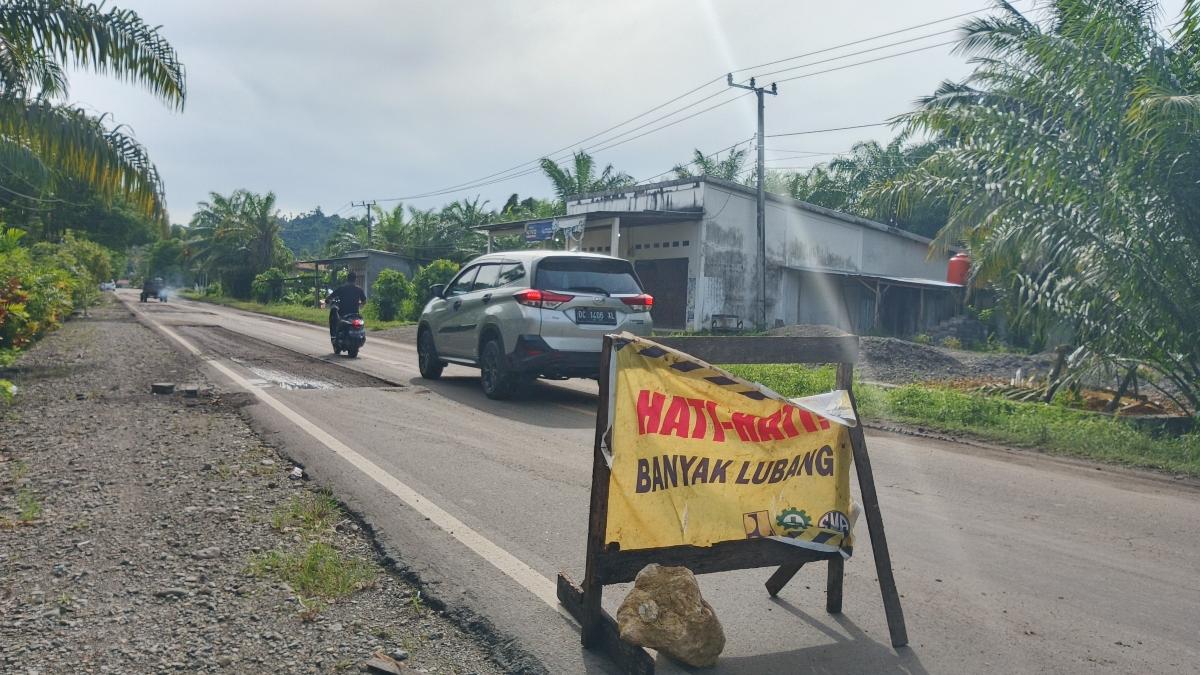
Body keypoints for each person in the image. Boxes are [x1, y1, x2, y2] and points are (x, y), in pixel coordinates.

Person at [326, 271, 366, 337]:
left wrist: (328, 300)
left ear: (347, 279)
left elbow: (330, 297)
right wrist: (359, 303)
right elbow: (364, 302)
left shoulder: (341, 288)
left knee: (335, 322)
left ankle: (334, 336)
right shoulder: (359, 289)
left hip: (343, 313)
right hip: (355, 314)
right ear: (355, 279)